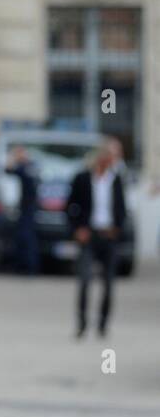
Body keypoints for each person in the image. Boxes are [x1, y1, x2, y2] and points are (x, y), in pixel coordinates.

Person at [66, 137, 128, 339]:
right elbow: (70, 207)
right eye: (113, 154)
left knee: (109, 284)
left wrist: (117, 227)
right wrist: (78, 229)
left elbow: (122, 208)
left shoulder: (117, 178)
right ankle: (82, 323)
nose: (116, 158)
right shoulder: (83, 178)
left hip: (108, 236)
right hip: (89, 235)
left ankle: (102, 325)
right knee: (84, 281)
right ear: (103, 156)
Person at [4, 145, 40, 275]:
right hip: (30, 205)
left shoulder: (25, 167)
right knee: (25, 236)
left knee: (25, 237)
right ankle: (26, 265)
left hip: (27, 206)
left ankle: (27, 267)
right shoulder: (33, 166)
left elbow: (7, 169)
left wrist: (12, 156)